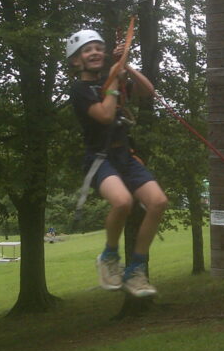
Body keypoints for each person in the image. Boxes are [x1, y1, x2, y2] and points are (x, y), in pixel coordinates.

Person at [66, 28, 168, 297]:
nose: (95, 52)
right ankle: (109, 256)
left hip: (125, 155)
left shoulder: (113, 80)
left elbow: (147, 91)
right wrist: (113, 81)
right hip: (100, 158)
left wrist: (126, 66)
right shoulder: (80, 90)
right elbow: (105, 116)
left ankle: (136, 269)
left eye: (99, 48)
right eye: (87, 50)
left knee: (158, 202)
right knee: (123, 202)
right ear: (76, 60)